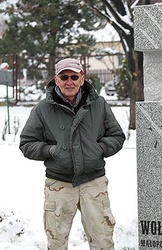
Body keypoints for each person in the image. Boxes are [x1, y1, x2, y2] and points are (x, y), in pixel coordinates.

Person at [19, 58, 126, 249]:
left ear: (82, 79)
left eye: (74, 76)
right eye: (64, 76)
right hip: (58, 184)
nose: (70, 81)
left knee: (103, 242)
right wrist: (50, 150)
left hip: (94, 183)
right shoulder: (43, 109)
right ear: (56, 79)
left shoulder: (99, 105)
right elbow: (27, 143)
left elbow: (117, 136)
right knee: (56, 243)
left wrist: (99, 149)